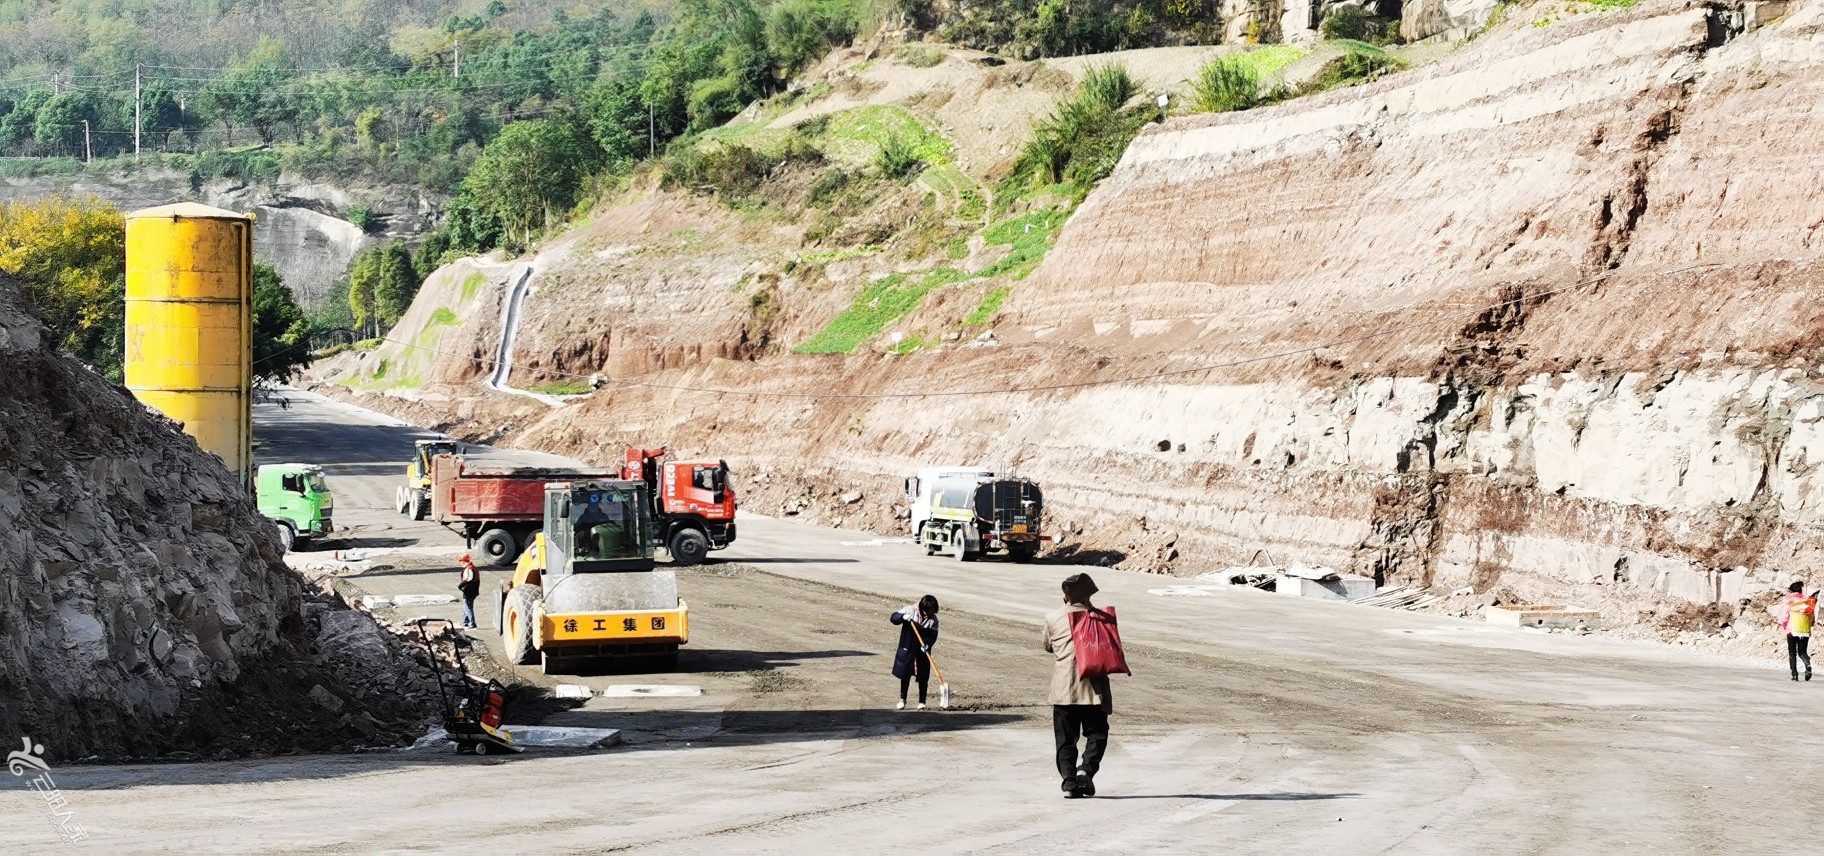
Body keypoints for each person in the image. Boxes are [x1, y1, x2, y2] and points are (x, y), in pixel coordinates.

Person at [1045, 573, 1111, 798]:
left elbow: (1047, 646)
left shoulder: (1053, 617)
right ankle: (1086, 769)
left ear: (1066, 596)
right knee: (1097, 733)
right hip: (1092, 689)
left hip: (1064, 688)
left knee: (1065, 738)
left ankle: (1070, 783)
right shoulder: (1100, 618)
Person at [890, 595, 940, 710]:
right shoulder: (910, 610)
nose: (929, 613)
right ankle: (902, 699)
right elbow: (893, 618)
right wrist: (902, 617)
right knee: (905, 674)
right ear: (922, 607)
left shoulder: (934, 620)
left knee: (923, 676)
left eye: (932, 611)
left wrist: (928, 644)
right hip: (908, 648)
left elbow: (933, 635)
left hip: (922, 651)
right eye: (927, 611)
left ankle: (922, 702)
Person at [1781, 581, 1816, 681]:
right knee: (1802, 652)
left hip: (1791, 630)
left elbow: (1784, 617)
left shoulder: (1789, 601)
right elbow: (1812, 618)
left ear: (1791, 591)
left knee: (1792, 653)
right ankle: (1807, 664)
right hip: (1804, 630)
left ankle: (1794, 675)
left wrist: (1784, 626)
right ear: (1800, 590)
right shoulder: (1806, 602)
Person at [457, 553, 481, 629]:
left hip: (469, 591)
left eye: (460, 562)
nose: (460, 564)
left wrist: (460, 585)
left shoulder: (469, 569)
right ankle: (465, 622)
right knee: (466, 607)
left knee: (468, 608)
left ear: (463, 561)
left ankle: (472, 623)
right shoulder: (473, 568)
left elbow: (468, 580)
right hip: (473, 591)